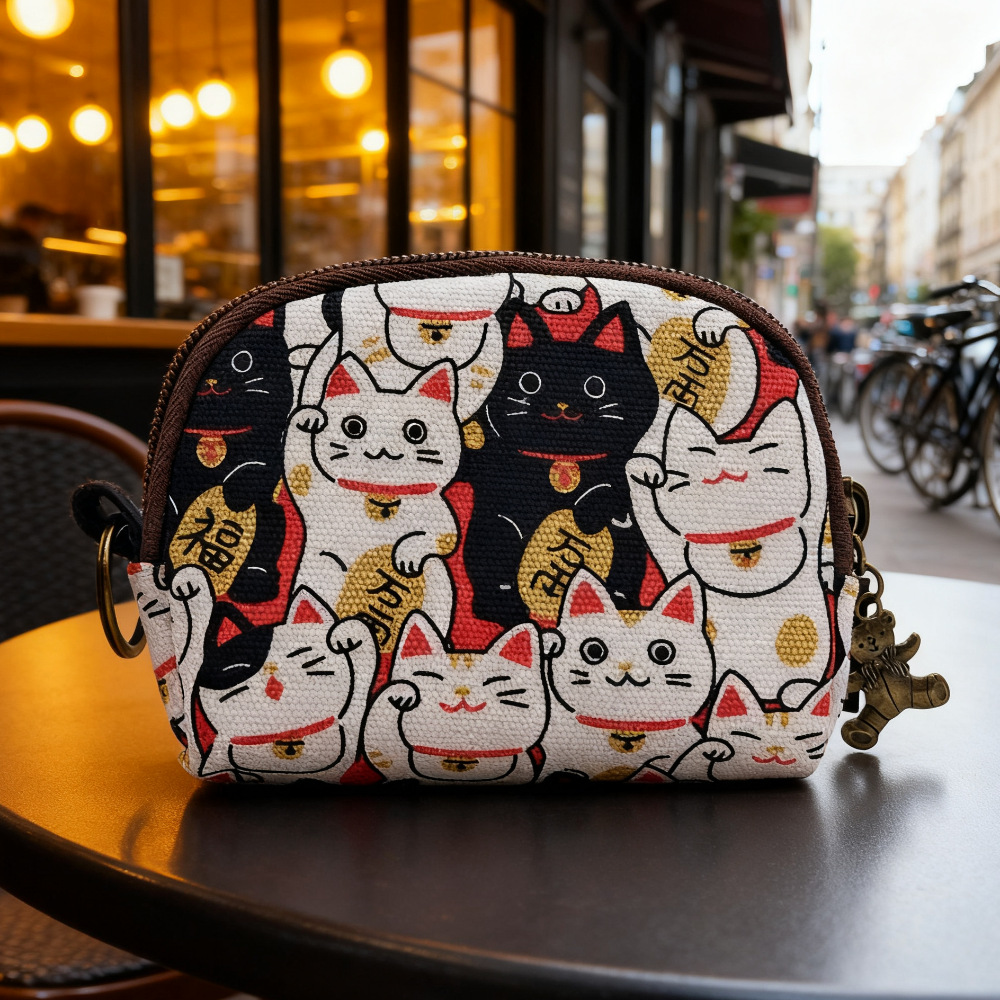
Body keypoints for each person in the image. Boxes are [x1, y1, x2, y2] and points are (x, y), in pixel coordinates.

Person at [0, 203, 51, 312]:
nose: (41, 229)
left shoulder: (17, 239)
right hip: (12, 296)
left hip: (15, 296)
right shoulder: (21, 239)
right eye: (40, 224)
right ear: (28, 220)